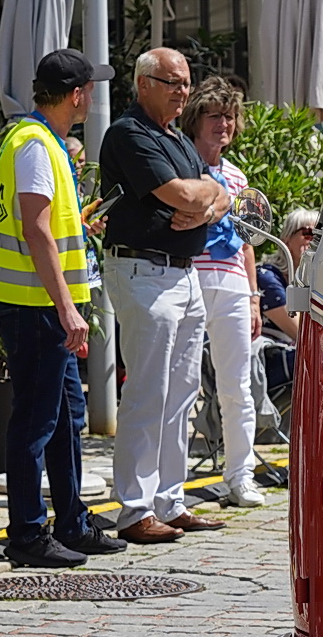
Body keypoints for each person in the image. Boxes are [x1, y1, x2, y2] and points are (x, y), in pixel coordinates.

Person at [0, 50, 124, 569]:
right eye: (90, 89)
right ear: (76, 95)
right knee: (36, 418)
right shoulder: (34, 143)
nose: (93, 97)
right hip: (33, 304)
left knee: (65, 415)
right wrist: (67, 308)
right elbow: (33, 228)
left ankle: (71, 522)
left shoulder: (37, 139)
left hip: (38, 302)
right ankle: (29, 534)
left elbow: (44, 224)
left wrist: (77, 223)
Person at [98, 48, 230, 545]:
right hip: (143, 269)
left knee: (182, 395)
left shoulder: (176, 137)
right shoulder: (130, 134)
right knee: (147, 393)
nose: (182, 92)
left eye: (186, 83)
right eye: (171, 82)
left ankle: (170, 501)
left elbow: (216, 192)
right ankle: (133, 510)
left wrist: (205, 206)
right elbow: (182, 195)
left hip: (184, 272)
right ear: (143, 84)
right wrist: (200, 201)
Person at [180, 78, 265, 508]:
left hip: (231, 281)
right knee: (182, 385)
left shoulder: (236, 175)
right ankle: (170, 483)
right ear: (197, 119)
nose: (223, 124)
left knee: (237, 385)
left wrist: (253, 297)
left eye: (229, 116)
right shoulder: (179, 163)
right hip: (189, 277)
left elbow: (247, 239)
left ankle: (240, 476)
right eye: (215, 115)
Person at [258, 209, 317, 345]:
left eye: (319, 237)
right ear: (287, 241)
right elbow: (300, 333)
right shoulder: (266, 276)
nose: (315, 242)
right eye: (308, 234)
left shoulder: (319, 279)